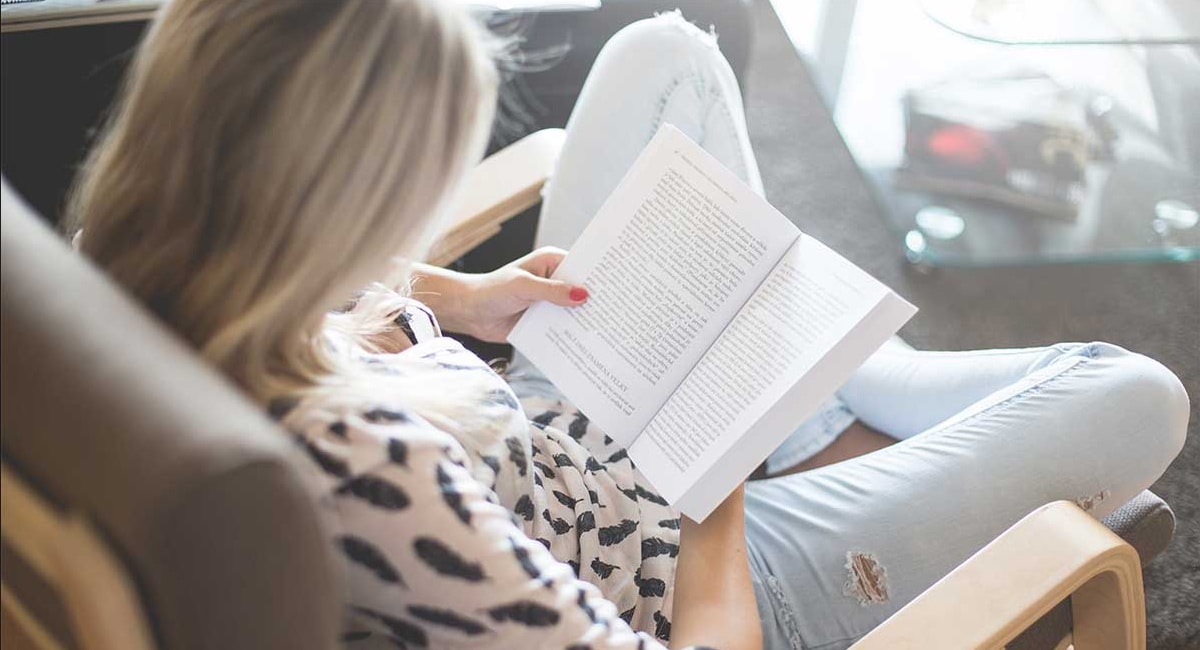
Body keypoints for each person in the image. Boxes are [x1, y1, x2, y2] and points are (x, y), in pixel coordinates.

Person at [67, 1, 1189, 648]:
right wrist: (719, 473)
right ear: (341, 199)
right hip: (702, 564)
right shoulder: (378, 481)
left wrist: (457, 297)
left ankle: (816, 371)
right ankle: (817, 378)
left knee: (670, 57)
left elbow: (326, 296)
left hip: (551, 416)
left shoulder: (125, 268)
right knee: (1132, 391)